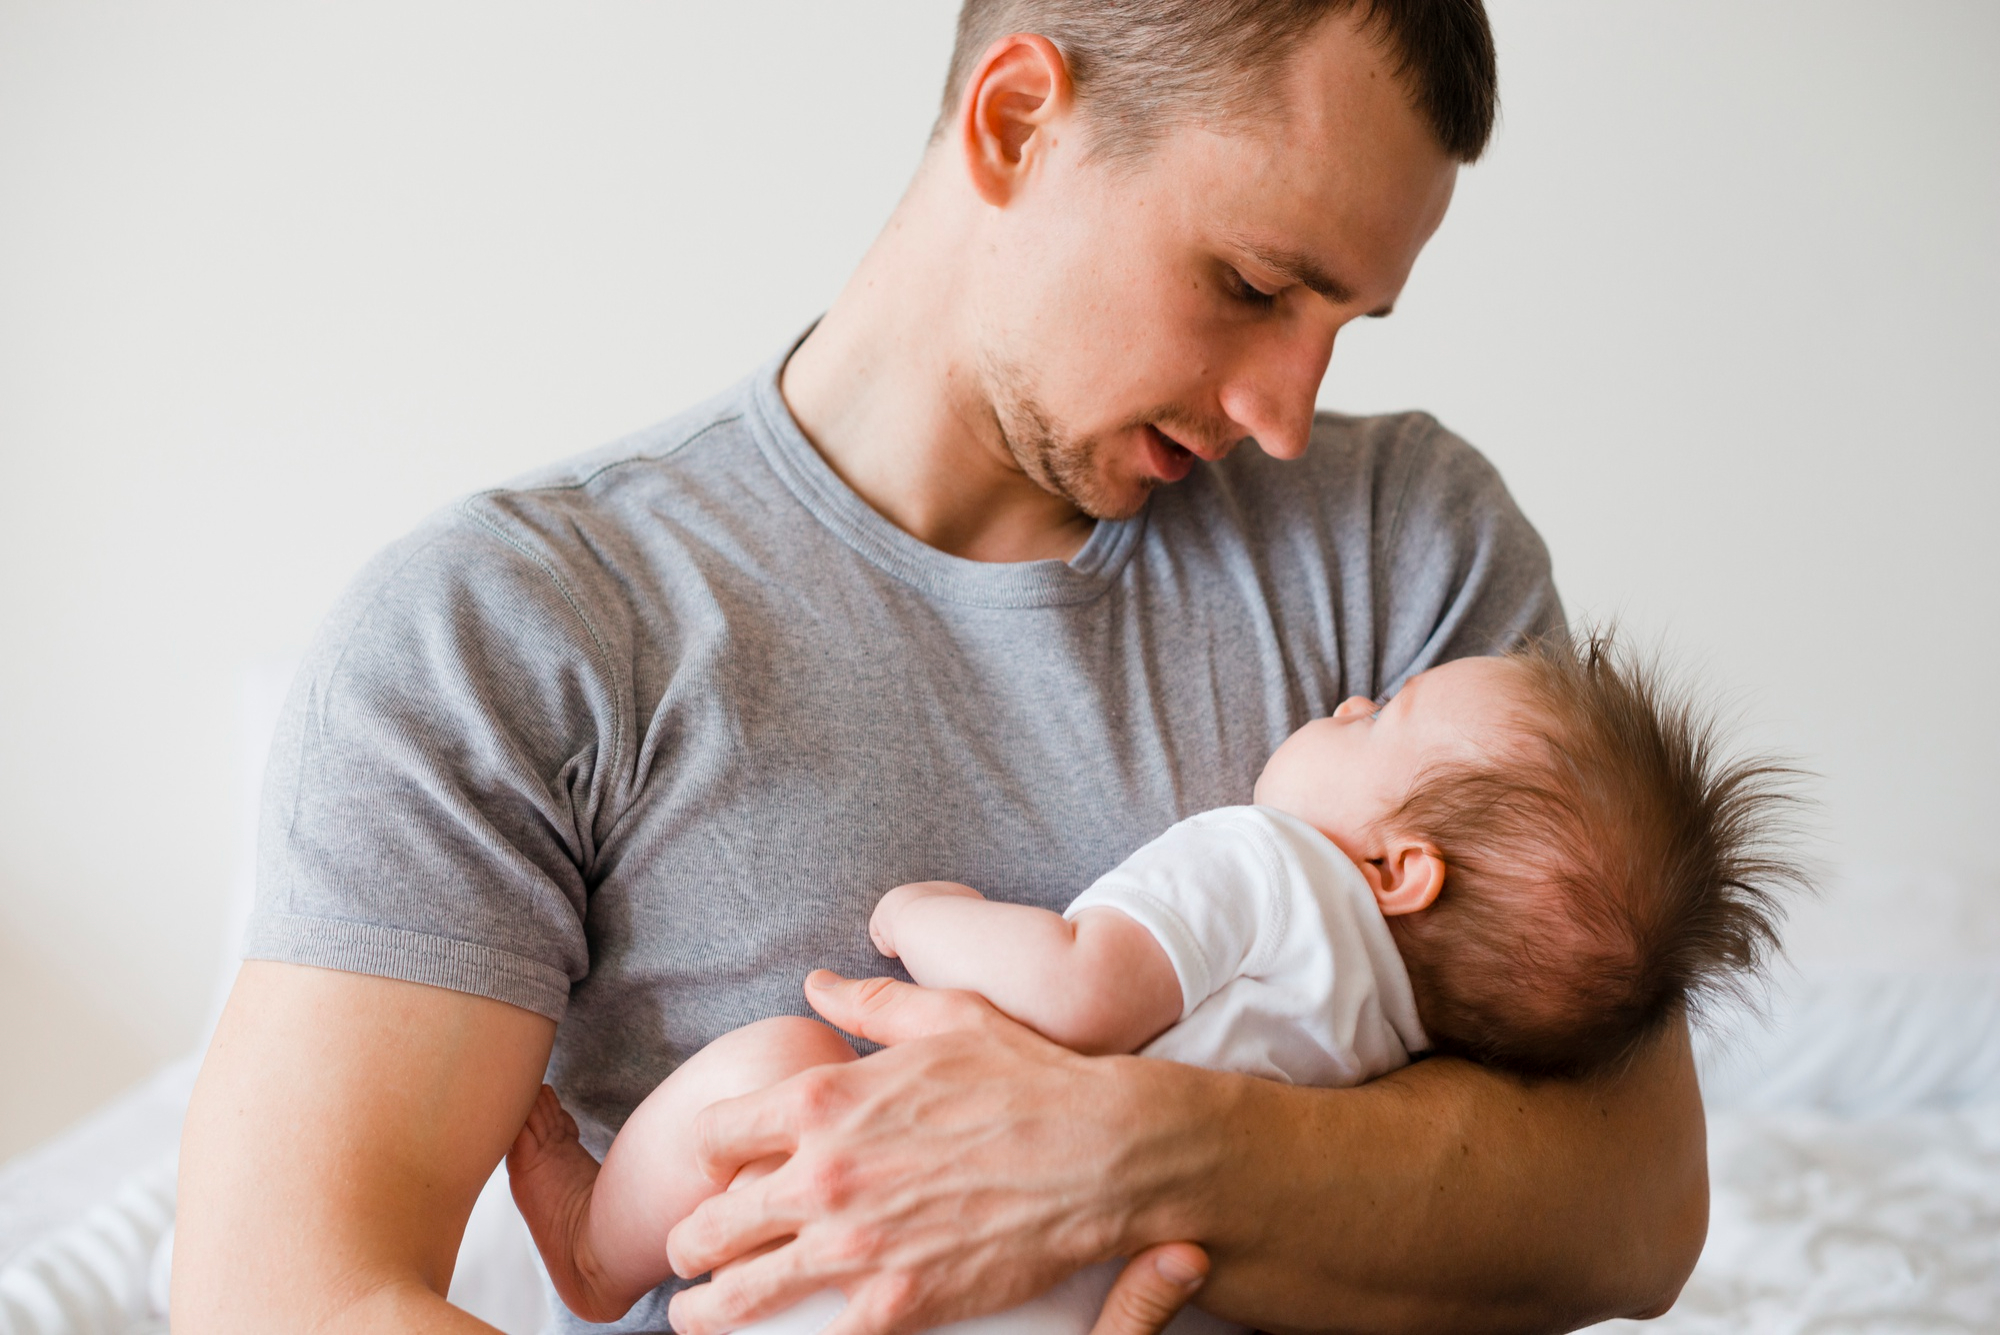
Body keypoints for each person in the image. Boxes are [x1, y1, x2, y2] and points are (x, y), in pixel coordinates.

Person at [174, 3, 1714, 1333]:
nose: (1288, 411)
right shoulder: (518, 626)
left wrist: (1117, 1152)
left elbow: (1636, 1208)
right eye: (1252, 285)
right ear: (1019, 119)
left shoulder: (1400, 540)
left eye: (1343, 322)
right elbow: (282, 1299)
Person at [502, 637, 1797, 1330]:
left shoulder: (1275, 866)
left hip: (834, 1279)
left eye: (1383, 715)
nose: (1346, 701)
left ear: (1401, 868)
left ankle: (595, 1250)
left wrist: (930, 914)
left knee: (776, 1073)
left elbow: (1080, 989)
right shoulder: (1392, 1050)